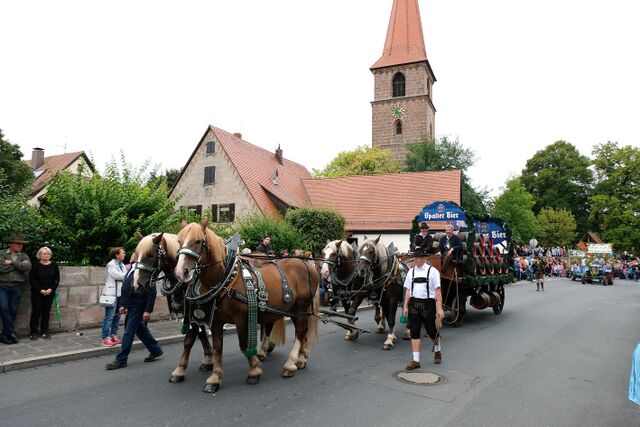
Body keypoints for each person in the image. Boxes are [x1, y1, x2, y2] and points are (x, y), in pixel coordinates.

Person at [105, 266, 163, 370]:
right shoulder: (131, 269)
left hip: (139, 306)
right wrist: (123, 304)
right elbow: (126, 288)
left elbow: (152, 292)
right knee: (140, 329)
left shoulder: (146, 270)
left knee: (128, 332)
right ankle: (156, 350)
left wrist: (148, 310)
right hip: (131, 305)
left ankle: (121, 360)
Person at [402, 247, 444, 369]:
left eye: (418, 257)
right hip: (414, 305)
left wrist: (439, 308)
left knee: (431, 332)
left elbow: (438, 291)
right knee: (414, 332)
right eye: (414, 257)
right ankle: (416, 360)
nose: (415, 260)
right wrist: (405, 306)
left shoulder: (433, 271)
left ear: (423, 258)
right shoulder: (411, 272)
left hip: (428, 305)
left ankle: (438, 350)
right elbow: (408, 290)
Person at [0, 235, 32, 345]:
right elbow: (1, 268)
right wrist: (19, 265)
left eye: (22, 244)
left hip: (17, 286)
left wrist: (12, 263)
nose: (20, 246)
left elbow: (27, 267)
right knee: (3, 308)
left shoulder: (24, 255)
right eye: (18, 244)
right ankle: (11, 332)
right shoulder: (2, 253)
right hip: (2, 286)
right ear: (11, 244)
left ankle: (4, 335)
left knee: (13, 310)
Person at [29, 246, 60, 340]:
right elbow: (32, 279)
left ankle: (44, 332)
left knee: (46, 312)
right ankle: (33, 332)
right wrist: (40, 290)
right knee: (36, 312)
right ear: (39, 255)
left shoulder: (54, 265)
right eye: (44, 253)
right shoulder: (35, 265)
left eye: (48, 254)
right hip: (37, 293)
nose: (46, 255)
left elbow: (57, 279)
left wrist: (51, 289)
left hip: (49, 293)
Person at [101, 247, 126, 347]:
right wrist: (126, 275)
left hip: (120, 294)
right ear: (116, 255)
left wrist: (124, 275)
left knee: (117, 316)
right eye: (122, 253)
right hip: (111, 294)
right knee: (109, 317)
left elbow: (123, 275)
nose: (124, 254)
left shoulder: (122, 265)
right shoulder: (111, 264)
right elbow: (117, 276)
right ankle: (105, 338)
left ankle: (113, 335)